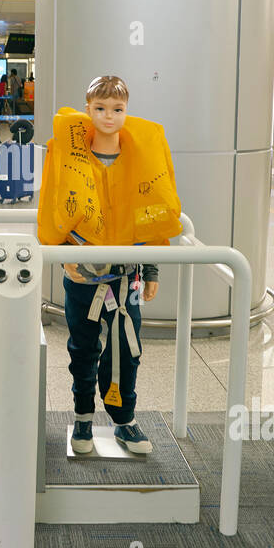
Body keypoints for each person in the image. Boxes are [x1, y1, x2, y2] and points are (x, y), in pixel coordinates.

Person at [37, 76, 179, 457]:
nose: (109, 117)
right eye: (100, 108)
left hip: (125, 279)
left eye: (117, 109)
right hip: (82, 277)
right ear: (87, 110)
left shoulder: (140, 159)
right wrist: (65, 255)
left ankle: (123, 421)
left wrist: (151, 270)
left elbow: (148, 219)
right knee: (82, 350)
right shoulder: (66, 154)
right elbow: (55, 207)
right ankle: (83, 417)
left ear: (126, 111)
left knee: (126, 351)